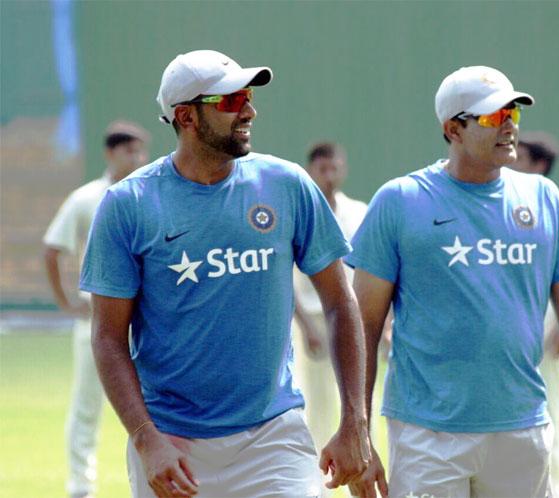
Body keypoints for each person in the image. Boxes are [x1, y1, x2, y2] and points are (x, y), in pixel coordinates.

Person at [79, 50, 370, 498]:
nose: (249, 110)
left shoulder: (287, 185)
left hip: (275, 436)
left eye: (248, 96)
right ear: (186, 117)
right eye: (231, 101)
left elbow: (339, 300)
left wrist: (355, 422)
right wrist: (145, 439)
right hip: (173, 446)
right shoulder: (128, 206)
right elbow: (108, 338)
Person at [346, 66, 559, 498]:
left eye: (512, 113)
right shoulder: (399, 201)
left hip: (522, 431)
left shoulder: (545, 200)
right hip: (428, 435)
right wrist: (359, 432)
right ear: (453, 129)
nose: (507, 125)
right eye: (490, 116)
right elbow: (363, 326)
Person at [44, 120, 150, 498]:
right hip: (97, 318)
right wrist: (66, 303)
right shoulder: (87, 198)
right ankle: (81, 487)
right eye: (128, 150)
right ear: (110, 153)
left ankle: (158, 475)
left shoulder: (151, 195)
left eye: (140, 150)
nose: (136, 157)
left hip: (149, 319)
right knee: (88, 405)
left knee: (153, 403)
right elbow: (53, 248)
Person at [292, 142, 368, 497]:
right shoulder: (299, 211)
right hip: (309, 319)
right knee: (311, 404)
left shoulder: (358, 212)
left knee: (353, 402)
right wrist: (305, 327)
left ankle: (357, 468)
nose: (328, 174)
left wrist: (378, 327)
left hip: (349, 319)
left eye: (334, 167)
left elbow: (367, 271)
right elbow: (286, 278)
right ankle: (318, 484)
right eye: (321, 168)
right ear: (310, 170)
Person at [513, 131, 559, 498]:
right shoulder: (503, 199)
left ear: (539, 164)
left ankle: (554, 489)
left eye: (521, 156)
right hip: (511, 334)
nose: (512, 160)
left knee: (549, 414)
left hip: (546, 333)